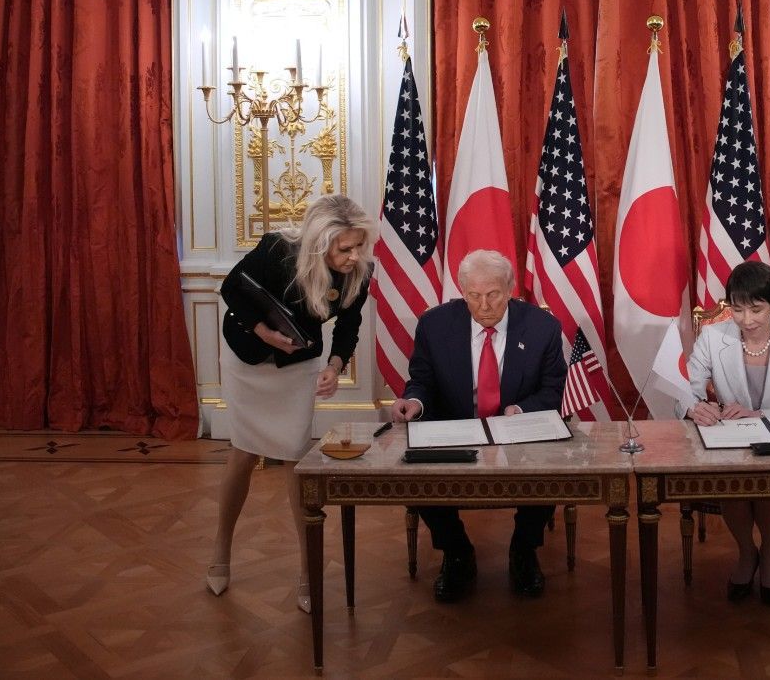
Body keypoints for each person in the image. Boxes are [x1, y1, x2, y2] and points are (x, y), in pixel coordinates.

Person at [206, 194, 376, 614]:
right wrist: (264, 333)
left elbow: (349, 327)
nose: (355, 256)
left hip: (298, 364)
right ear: (321, 243)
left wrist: (335, 367)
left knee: (296, 458)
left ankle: (307, 569)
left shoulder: (360, 274)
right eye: (345, 248)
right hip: (248, 358)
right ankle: (221, 550)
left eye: (359, 246)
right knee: (243, 453)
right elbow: (232, 290)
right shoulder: (278, 251)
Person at [391, 250, 567, 602]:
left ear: (511, 289)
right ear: (462, 291)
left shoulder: (542, 327)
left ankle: (523, 549)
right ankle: (456, 551)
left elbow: (553, 389)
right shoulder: (435, 324)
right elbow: (421, 380)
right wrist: (414, 402)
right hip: (454, 426)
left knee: (551, 466)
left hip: (516, 428)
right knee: (418, 471)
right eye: (474, 295)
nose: (484, 305)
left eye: (494, 295)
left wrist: (521, 409)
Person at [676, 261, 770, 605]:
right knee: (733, 482)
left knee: (767, 481)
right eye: (738, 309)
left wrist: (757, 414)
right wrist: (696, 407)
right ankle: (746, 552)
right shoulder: (713, 336)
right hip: (728, 438)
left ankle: (769, 556)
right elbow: (687, 389)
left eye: (756, 309)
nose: (747, 320)